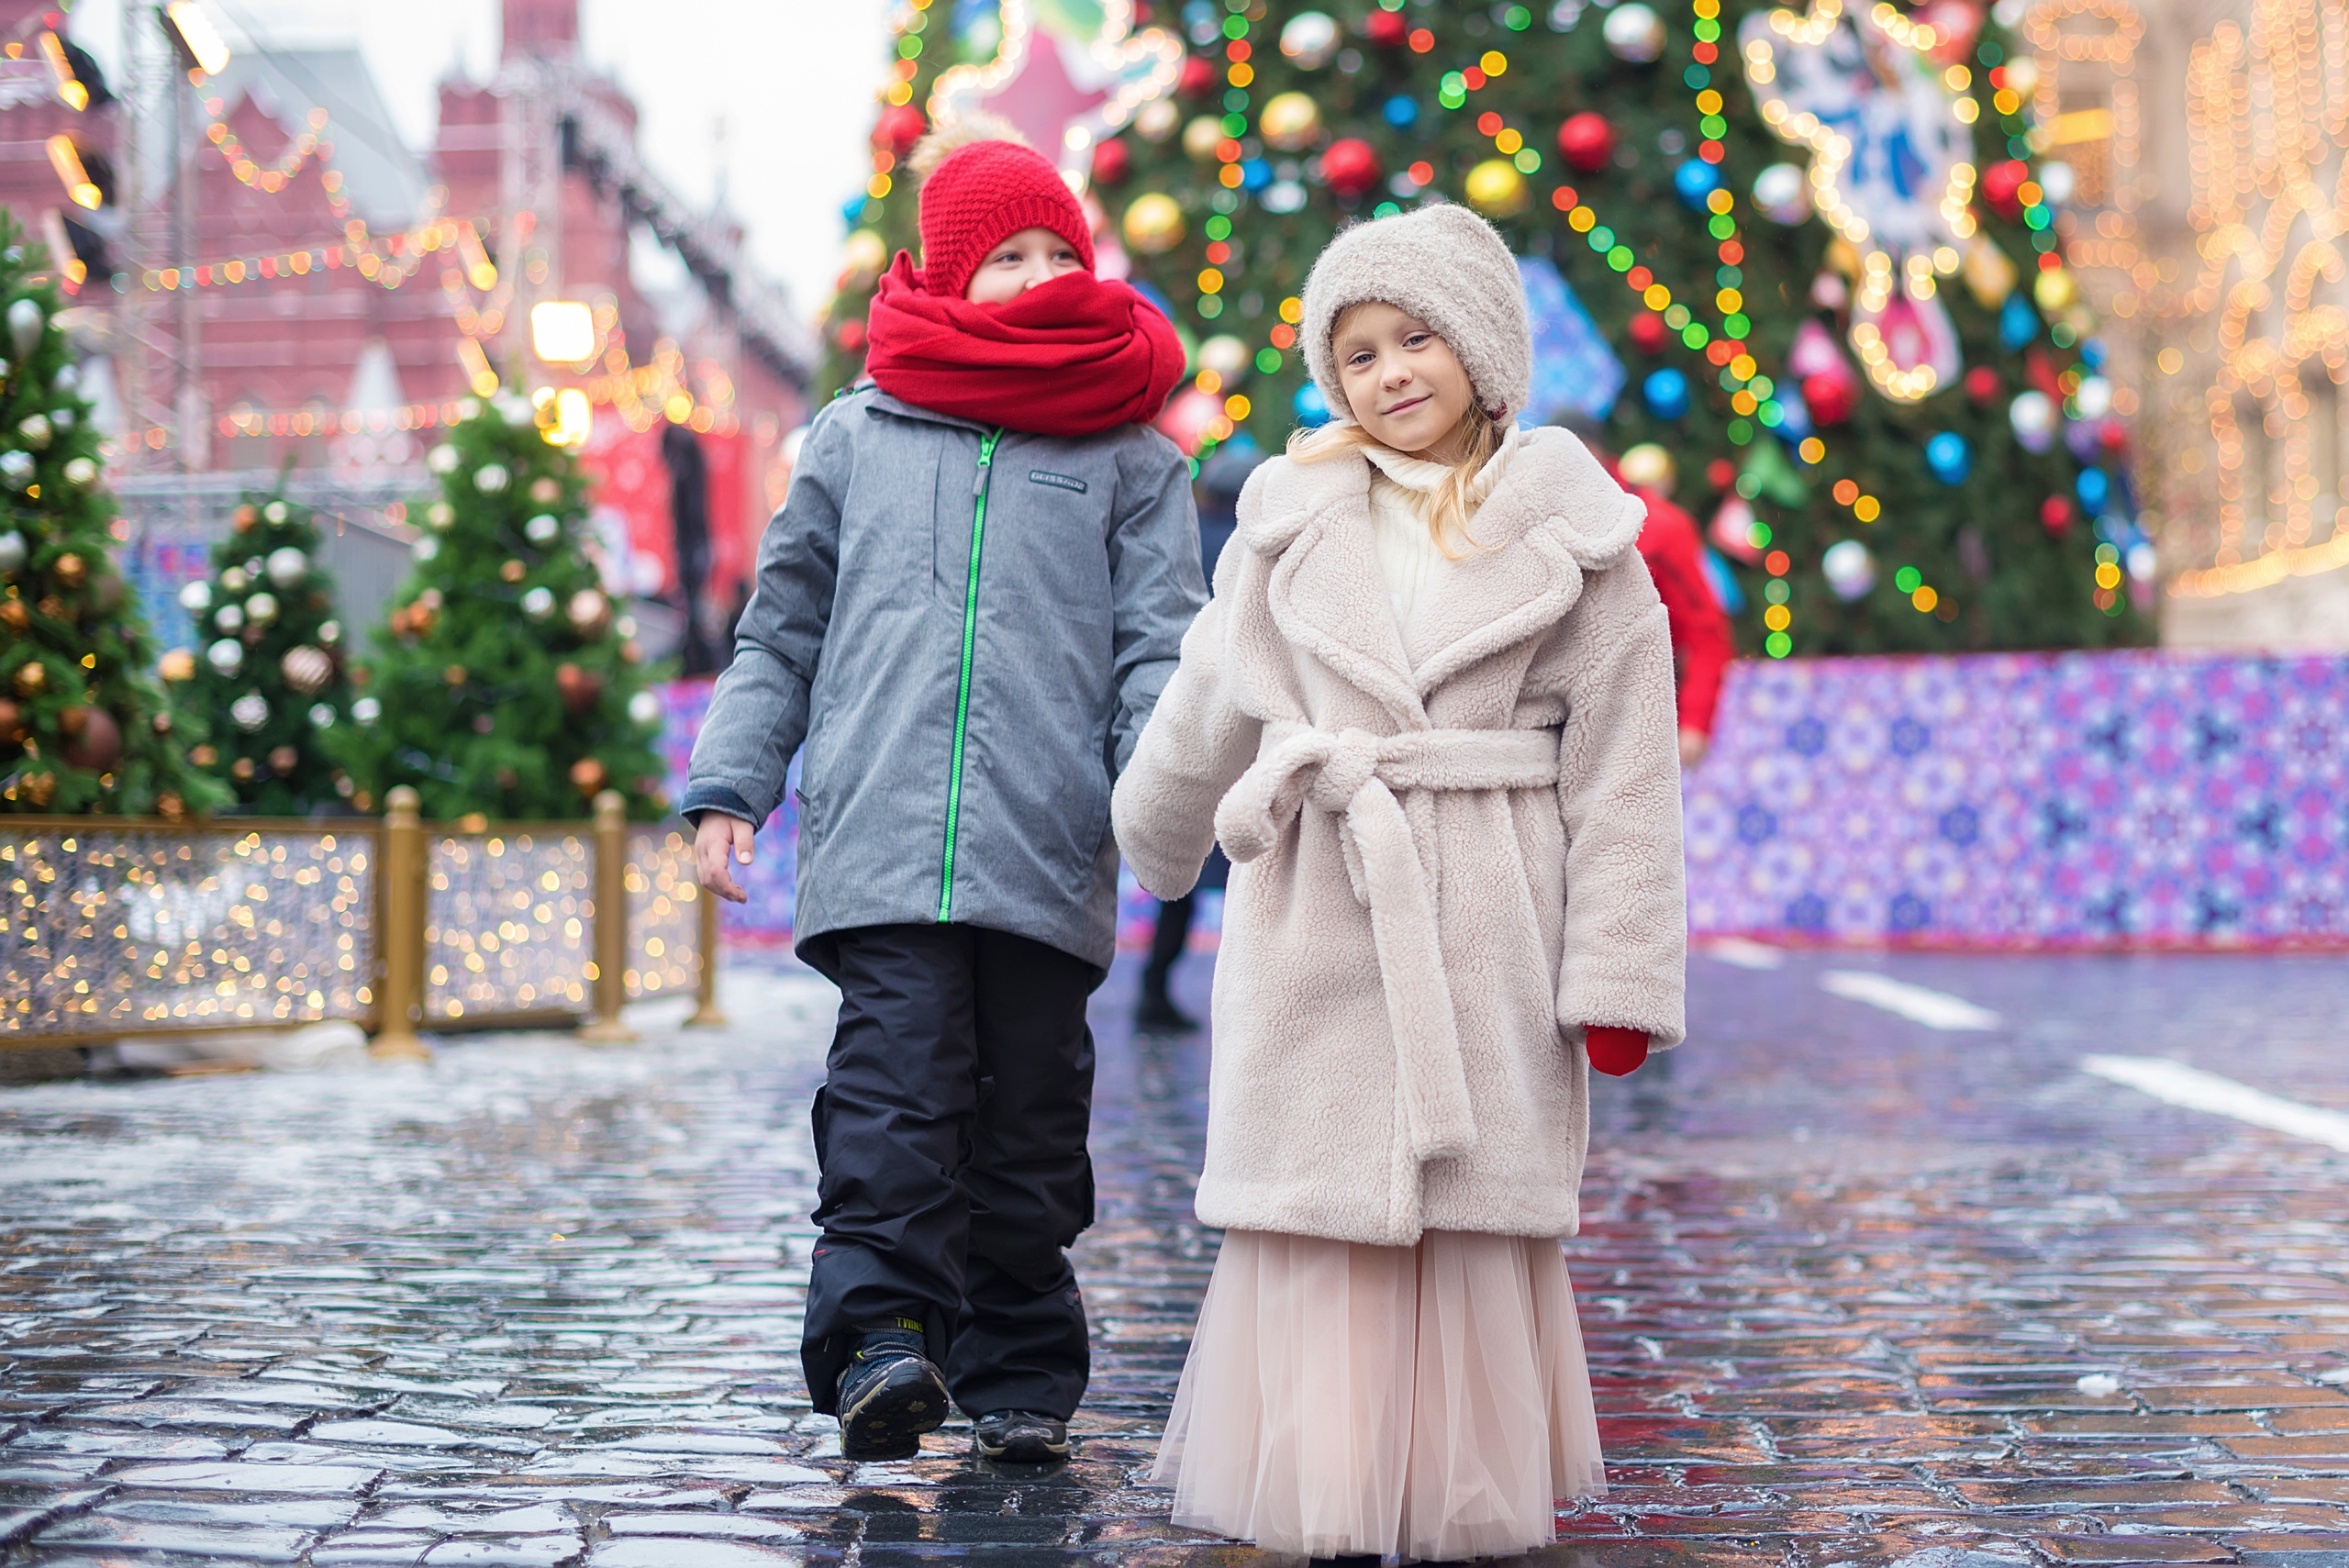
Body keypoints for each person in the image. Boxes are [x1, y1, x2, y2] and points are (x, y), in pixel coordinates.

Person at [1111, 203, 1687, 1560]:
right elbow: (1212, 690)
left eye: (1415, 337)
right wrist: (1156, 831)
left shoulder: (1581, 538)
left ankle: (1452, 1498)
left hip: (1487, 912)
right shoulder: (1287, 524)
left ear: (1483, 350)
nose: (1388, 374)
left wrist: (1615, 975)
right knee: (1317, 1198)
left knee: (1469, 1214)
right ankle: (1322, 1486)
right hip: (1322, 901)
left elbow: (1624, 774)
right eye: (1356, 352)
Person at [684, 117, 1197, 1467]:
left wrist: (1162, 799)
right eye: (1004, 255)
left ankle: (1020, 1360)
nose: (1034, 274)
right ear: (944, 274)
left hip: (1046, 841)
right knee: (897, 1093)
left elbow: (1164, 646)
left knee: (1029, 1113)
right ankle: (875, 1343)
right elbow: (780, 628)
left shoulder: (1135, 459)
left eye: (1054, 251)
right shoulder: (855, 439)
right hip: (883, 838)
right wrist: (733, 780)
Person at [1137, 437, 1263, 1032]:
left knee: (1178, 871)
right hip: (1249, 731)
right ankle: (1254, 1006)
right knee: (1257, 870)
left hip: (1190, 722)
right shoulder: (1255, 548)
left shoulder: (1189, 541)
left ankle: (1153, 988)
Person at [1556, 413, 1733, 767]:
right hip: (1551, 733)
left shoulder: (1659, 526)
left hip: (1638, 730)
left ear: (1593, 452)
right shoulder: (1533, 522)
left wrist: (1696, 723)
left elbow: (1706, 634)